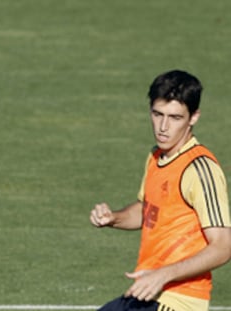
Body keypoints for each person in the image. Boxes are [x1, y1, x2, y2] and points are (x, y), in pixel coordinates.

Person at [90, 70, 231, 311]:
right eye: (157, 114)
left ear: (194, 117)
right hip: (147, 293)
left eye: (175, 117)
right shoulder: (156, 157)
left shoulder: (199, 169)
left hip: (178, 300)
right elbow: (149, 211)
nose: (163, 127)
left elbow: (223, 246)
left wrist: (163, 274)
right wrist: (114, 218)